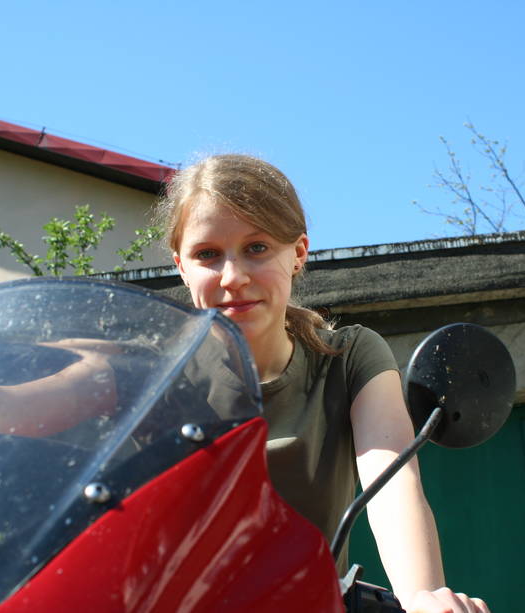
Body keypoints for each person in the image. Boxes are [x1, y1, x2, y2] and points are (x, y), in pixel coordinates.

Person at [158, 153, 490, 613]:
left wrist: (422, 596)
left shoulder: (349, 357)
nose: (233, 277)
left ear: (298, 253)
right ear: (181, 266)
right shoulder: (150, 373)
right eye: (207, 254)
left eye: (257, 247)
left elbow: (391, 480)